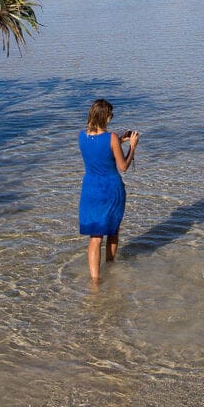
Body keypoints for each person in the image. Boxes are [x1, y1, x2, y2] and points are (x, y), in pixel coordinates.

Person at [78, 99, 139, 281]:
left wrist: (120, 140)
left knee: (95, 237)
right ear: (105, 116)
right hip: (110, 189)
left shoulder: (82, 136)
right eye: (110, 114)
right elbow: (123, 167)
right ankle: (110, 268)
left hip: (90, 190)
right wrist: (132, 147)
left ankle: (95, 280)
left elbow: (99, 151)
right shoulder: (111, 137)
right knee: (112, 232)